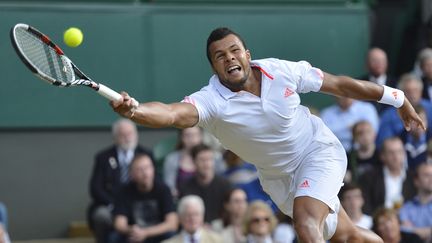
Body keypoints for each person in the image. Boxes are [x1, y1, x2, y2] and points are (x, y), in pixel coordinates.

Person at [111, 27, 425, 242]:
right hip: (278, 180)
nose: (229, 58)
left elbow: (341, 85)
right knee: (347, 236)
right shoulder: (211, 100)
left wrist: (396, 98)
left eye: (234, 50)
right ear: (214, 68)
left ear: (247, 54)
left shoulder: (283, 71)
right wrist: (135, 110)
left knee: (305, 222)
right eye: (220, 56)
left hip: (318, 152)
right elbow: (170, 114)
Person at [88, 118, 153, 243]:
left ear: (136, 134)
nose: (127, 138)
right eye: (123, 135)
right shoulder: (103, 157)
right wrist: (113, 204)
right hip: (112, 203)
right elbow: (95, 188)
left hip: (140, 202)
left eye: (130, 134)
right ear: (115, 137)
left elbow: (154, 182)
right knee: (101, 215)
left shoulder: (146, 154)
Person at [111, 153, 178, 243]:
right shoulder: (124, 191)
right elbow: (119, 224)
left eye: (147, 167)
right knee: (113, 238)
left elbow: (172, 223)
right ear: (132, 174)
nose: (145, 173)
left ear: (153, 169)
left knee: (171, 235)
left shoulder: (163, 189)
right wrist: (131, 230)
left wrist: (146, 232)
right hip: (134, 234)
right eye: (139, 169)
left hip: (157, 233)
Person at [359, 137, 416, 215]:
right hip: (378, 222)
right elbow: (366, 205)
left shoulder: (413, 178)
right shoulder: (369, 177)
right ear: (382, 156)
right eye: (391, 153)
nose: (396, 157)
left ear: (404, 154)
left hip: (408, 222)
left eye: (399, 152)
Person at [178, 144, 232, 223]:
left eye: (210, 159)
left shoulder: (225, 184)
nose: (207, 164)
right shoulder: (186, 186)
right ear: (194, 161)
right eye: (202, 160)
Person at [163, 127, 203, 198]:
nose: (192, 140)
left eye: (195, 135)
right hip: (181, 200)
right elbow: (169, 187)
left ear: (201, 136)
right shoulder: (171, 159)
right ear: (181, 138)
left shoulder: (213, 157)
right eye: (188, 135)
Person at [398, 162, 432, 242]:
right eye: (427, 175)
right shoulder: (406, 208)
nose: (431, 179)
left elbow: (409, 231)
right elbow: (404, 231)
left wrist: (414, 230)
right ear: (416, 181)